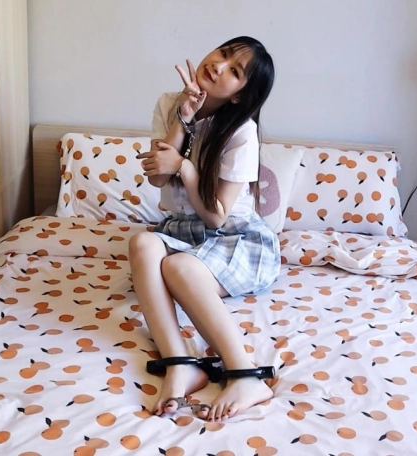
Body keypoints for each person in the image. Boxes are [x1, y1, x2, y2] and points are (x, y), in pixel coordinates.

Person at [129, 36, 278, 422]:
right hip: (181, 229)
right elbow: (157, 179)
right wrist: (183, 117)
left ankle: (245, 374)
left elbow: (216, 218)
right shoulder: (168, 103)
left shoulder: (241, 131)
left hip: (234, 236)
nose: (219, 66)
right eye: (223, 54)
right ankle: (180, 364)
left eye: (235, 71)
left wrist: (185, 167)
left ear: (239, 95)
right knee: (142, 244)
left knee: (177, 266)